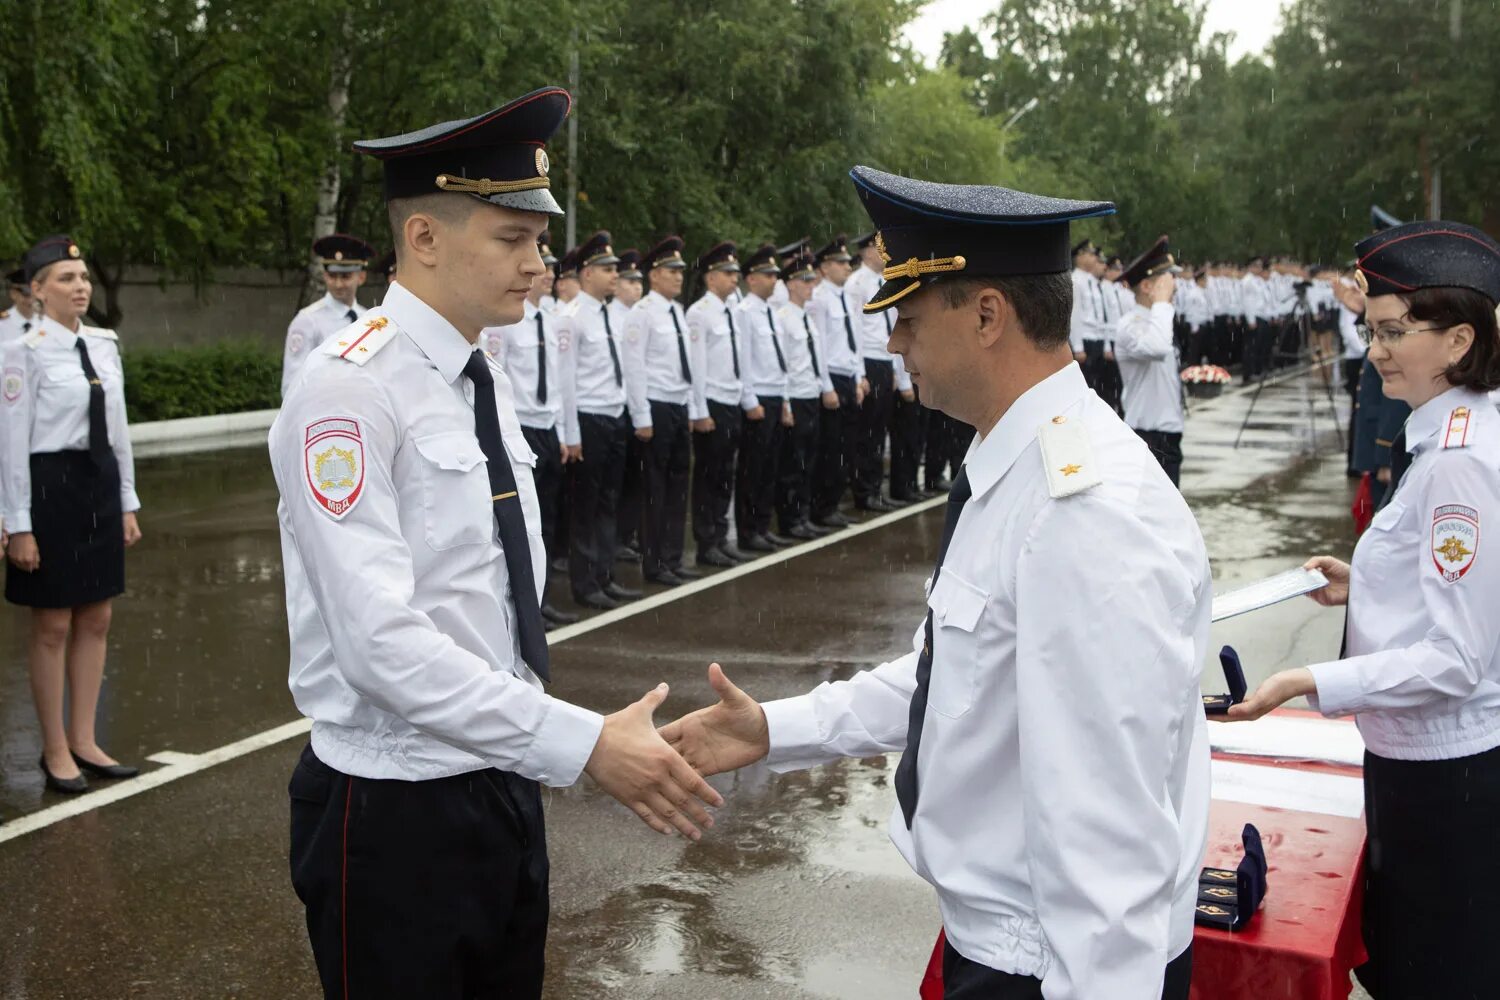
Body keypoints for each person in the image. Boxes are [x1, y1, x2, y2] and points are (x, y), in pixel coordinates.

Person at [664, 166, 1209, 1000]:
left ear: (987, 315)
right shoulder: (1015, 467)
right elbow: (950, 678)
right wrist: (774, 728)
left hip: (1048, 968)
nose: (893, 344)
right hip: (1006, 945)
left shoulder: (1083, 510)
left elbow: (1111, 846)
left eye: (909, 318)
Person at [270, 88, 721, 1000]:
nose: (536, 262)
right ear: (425, 239)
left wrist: (540, 748)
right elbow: (377, 644)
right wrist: (581, 741)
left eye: (539, 241)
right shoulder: (347, 392)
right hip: (395, 810)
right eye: (511, 239)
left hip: (501, 779)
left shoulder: (479, 371)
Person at [1226, 220, 1500, 1000]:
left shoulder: (1458, 461)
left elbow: (1457, 658)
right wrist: (1368, 582)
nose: (1375, 350)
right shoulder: (1454, 434)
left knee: (1437, 974)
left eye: (1391, 332)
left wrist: (1308, 681)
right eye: (1369, 330)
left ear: (1457, 340)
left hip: (1447, 779)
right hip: (1428, 762)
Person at [2, 234, 143, 794]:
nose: (80, 287)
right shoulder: (21, 351)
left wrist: (127, 501)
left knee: (97, 617)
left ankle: (84, 739)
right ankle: (54, 748)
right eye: (65, 278)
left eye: (82, 278)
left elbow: (118, 430)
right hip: (47, 489)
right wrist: (17, 523)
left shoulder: (104, 343)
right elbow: (10, 442)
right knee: (53, 622)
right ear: (37, 290)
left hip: (98, 484)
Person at [482, 234, 578, 628]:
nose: (548, 275)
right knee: (516, 520)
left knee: (546, 518)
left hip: (547, 426)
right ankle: (524, 606)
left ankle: (543, 597)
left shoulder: (552, 322)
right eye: (545, 269)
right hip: (518, 428)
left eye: (553, 269)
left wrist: (565, 432)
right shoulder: (503, 325)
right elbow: (493, 381)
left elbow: (559, 382)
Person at [557, 230, 642, 610]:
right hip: (589, 419)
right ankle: (585, 583)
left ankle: (604, 576)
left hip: (614, 415)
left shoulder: (611, 314)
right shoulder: (571, 317)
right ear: (586, 273)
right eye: (607, 268)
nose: (614, 275)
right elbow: (566, 380)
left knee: (609, 502)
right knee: (586, 506)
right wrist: (571, 433)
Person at [621, 237, 704, 586]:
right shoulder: (642, 314)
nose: (678, 277)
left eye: (680, 272)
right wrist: (641, 416)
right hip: (655, 406)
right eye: (671, 271)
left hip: (677, 405)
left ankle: (672, 558)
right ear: (653, 275)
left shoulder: (677, 313)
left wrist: (691, 407)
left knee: (676, 487)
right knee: (654, 489)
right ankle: (654, 563)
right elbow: (634, 366)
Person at [686, 241, 753, 567]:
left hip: (730, 400)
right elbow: (696, 367)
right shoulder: (699, 314)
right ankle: (706, 541)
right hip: (711, 403)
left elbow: (740, 359)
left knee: (726, 473)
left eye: (736, 273)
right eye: (728, 273)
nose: (734, 278)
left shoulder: (733, 312)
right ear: (711, 278)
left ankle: (721, 535)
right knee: (708, 476)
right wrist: (699, 411)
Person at [844, 232, 913, 511]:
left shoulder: (882, 281)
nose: (884, 254)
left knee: (879, 428)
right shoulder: (856, 284)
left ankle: (873, 488)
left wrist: (896, 369)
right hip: (868, 360)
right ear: (866, 251)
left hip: (883, 360)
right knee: (867, 430)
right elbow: (854, 331)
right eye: (879, 248)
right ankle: (864, 491)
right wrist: (859, 372)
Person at [1114, 236, 1187, 486]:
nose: (1174, 286)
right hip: (1147, 435)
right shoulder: (1129, 325)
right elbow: (1157, 348)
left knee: (1172, 520)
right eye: (1167, 280)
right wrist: (1162, 303)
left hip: (1168, 432)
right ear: (1147, 287)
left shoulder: (1157, 320)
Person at [734, 244, 793, 552]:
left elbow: (779, 359)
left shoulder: (771, 311)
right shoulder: (744, 313)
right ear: (752, 279)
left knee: (770, 467)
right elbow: (743, 360)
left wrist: (784, 400)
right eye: (767, 275)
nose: (774, 279)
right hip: (757, 398)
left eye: (774, 274)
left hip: (774, 396)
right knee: (752, 469)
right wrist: (749, 399)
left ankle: (762, 524)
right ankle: (747, 531)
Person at [775, 249, 834, 540]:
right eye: (806, 281)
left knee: (809, 459)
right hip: (795, 397)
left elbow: (817, 360)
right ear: (791, 284)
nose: (812, 285)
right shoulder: (783, 318)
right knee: (793, 462)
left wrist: (825, 389)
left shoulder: (807, 319)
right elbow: (782, 365)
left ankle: (803, 514)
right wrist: (785, 401)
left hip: (810, 394)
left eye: (812, 281)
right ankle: (790, 519)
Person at [807, 235, 865, 528]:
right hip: (831, 377)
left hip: (848, 376)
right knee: (830, 446)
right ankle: (822, 507)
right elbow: (819, 346)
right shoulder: (818, 298)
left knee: (845, 444)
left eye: (846, 262)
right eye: (840, 263)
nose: (846, 267)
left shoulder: (846, 297)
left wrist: (859, 376)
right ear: (826, 267)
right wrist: (826, 385)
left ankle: (833, 502)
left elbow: (854, 342)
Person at [281, 234, 372, 397]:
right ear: (324, 275)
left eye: (345, 276)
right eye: (332, 276)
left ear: (361, 277)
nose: (337, 284)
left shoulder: (368, 320)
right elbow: (292, 387)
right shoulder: (308, 320)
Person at [613, 248, 647, 563]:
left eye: (639, 282)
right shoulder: (608, 315)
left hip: (632, 405)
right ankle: (613, 540)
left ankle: (627, 534)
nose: (636, 287)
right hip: (612, 407)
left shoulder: (642, 316)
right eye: (629, 281)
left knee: (633, 477)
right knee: (615, 482)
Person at [0, 267, 38, 342]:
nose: (31, 301)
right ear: (13, 294)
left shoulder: (48, 320)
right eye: (26, 295)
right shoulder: (2, 323)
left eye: (34, 294)